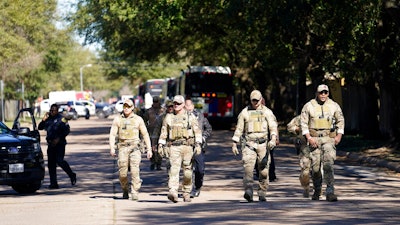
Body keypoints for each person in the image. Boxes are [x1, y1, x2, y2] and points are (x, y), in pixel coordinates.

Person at [300, 84, 345, 202]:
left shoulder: (334, 106)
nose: (323, 95)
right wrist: (309, 137)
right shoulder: (309, 106)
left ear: (328, 93)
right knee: (315, 168)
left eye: (325, 92)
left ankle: (330, 191)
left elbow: (341, 120)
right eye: (321, 92)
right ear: (317, 93)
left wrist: (339, 135)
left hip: (328, 139)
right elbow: (303, 123)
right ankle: (317, 189)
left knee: (328, 165)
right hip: (314, 140)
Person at [232, 90, 278, 202]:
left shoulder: (267, 112)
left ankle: (262, 192)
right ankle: (248, 191)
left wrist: (273, 138)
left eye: (257, 100)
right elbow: (239, 129)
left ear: (261, 99)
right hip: (249, 144)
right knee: (248, 169)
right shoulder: (245, 112)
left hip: (263, 144)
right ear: (251, 100)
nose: (256, 102)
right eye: (254, 100)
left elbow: (273, 126)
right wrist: (234, 143)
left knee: (263, 170)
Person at [157, 95, 202, 203]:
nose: (176, 105)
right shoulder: (168, 117)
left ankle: (186, 192)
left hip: (187, 147)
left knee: (187, 172)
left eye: (178, 103)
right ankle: (173, 192)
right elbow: (164, 132)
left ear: (183, 105)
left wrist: (198, 144)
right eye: (175, 103)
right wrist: (160, 144)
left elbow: (197, 131)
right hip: (174, 147)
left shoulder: (190, 116)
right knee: (174, 170)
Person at [109, 99, 153, 201]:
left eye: (128, 106)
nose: (126, 108)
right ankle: (125, 189)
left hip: (135, 148)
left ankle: (134, 191)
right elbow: (112, 134)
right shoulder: (118, 119)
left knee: (135, 170)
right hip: (123, 148)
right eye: (125, 106)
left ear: (132, 107)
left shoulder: (138, 119)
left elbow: (145, 134)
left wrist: (149, 149)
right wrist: (112, 147)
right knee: (122, 173)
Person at [38, 103, 76, 189]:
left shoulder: (62, 119)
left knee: (60, 161)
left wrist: (58, 139)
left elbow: (66, 130)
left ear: (57, 110)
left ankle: (71, 175)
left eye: (53, 110)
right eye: (50, 110)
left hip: (60, 144)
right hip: (51, 144)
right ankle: (53, 183)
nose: (51, 112)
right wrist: (43, 120)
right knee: (51, 164)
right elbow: (40, 127)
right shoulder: (48, 119)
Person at [185, 99, 212, 198]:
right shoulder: (182, 117)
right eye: (185, 106)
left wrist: (203, 137)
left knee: (200, 170)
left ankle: (197, 186)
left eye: (189, 105)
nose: (187, 108)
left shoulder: (200, 116)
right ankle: (189, 189)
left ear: (192, 106)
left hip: (198, 146)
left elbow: (208, 128)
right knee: (187, 169)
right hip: (186, 146)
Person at [287, 115, 312, 198]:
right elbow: (289, 126)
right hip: (304, 147)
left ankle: (318, 189)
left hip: (318, 145)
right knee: (305, 171)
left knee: (319, 170)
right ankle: (306, 187)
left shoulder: (321, 115)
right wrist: (297, 129)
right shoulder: (301, 117)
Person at [152, 99, 175, 173]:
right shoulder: (161, 118)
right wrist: (154, 143)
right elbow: (156, 130)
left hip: (178, 143)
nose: (170, 108)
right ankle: (170, 177)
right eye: (169, 107)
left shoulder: (179, 116)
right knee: (169, 162)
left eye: (172, 106)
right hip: (167, 143)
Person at [143, 96, 163, 170]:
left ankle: (159, 164)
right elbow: (144, 120)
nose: (155, 103)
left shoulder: (163, 110)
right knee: (152, 148)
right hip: (151, 132)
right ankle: (152, 162)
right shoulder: (149, 111)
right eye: (154, 102)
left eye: (157, 102)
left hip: (161, 132)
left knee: (160, 148)